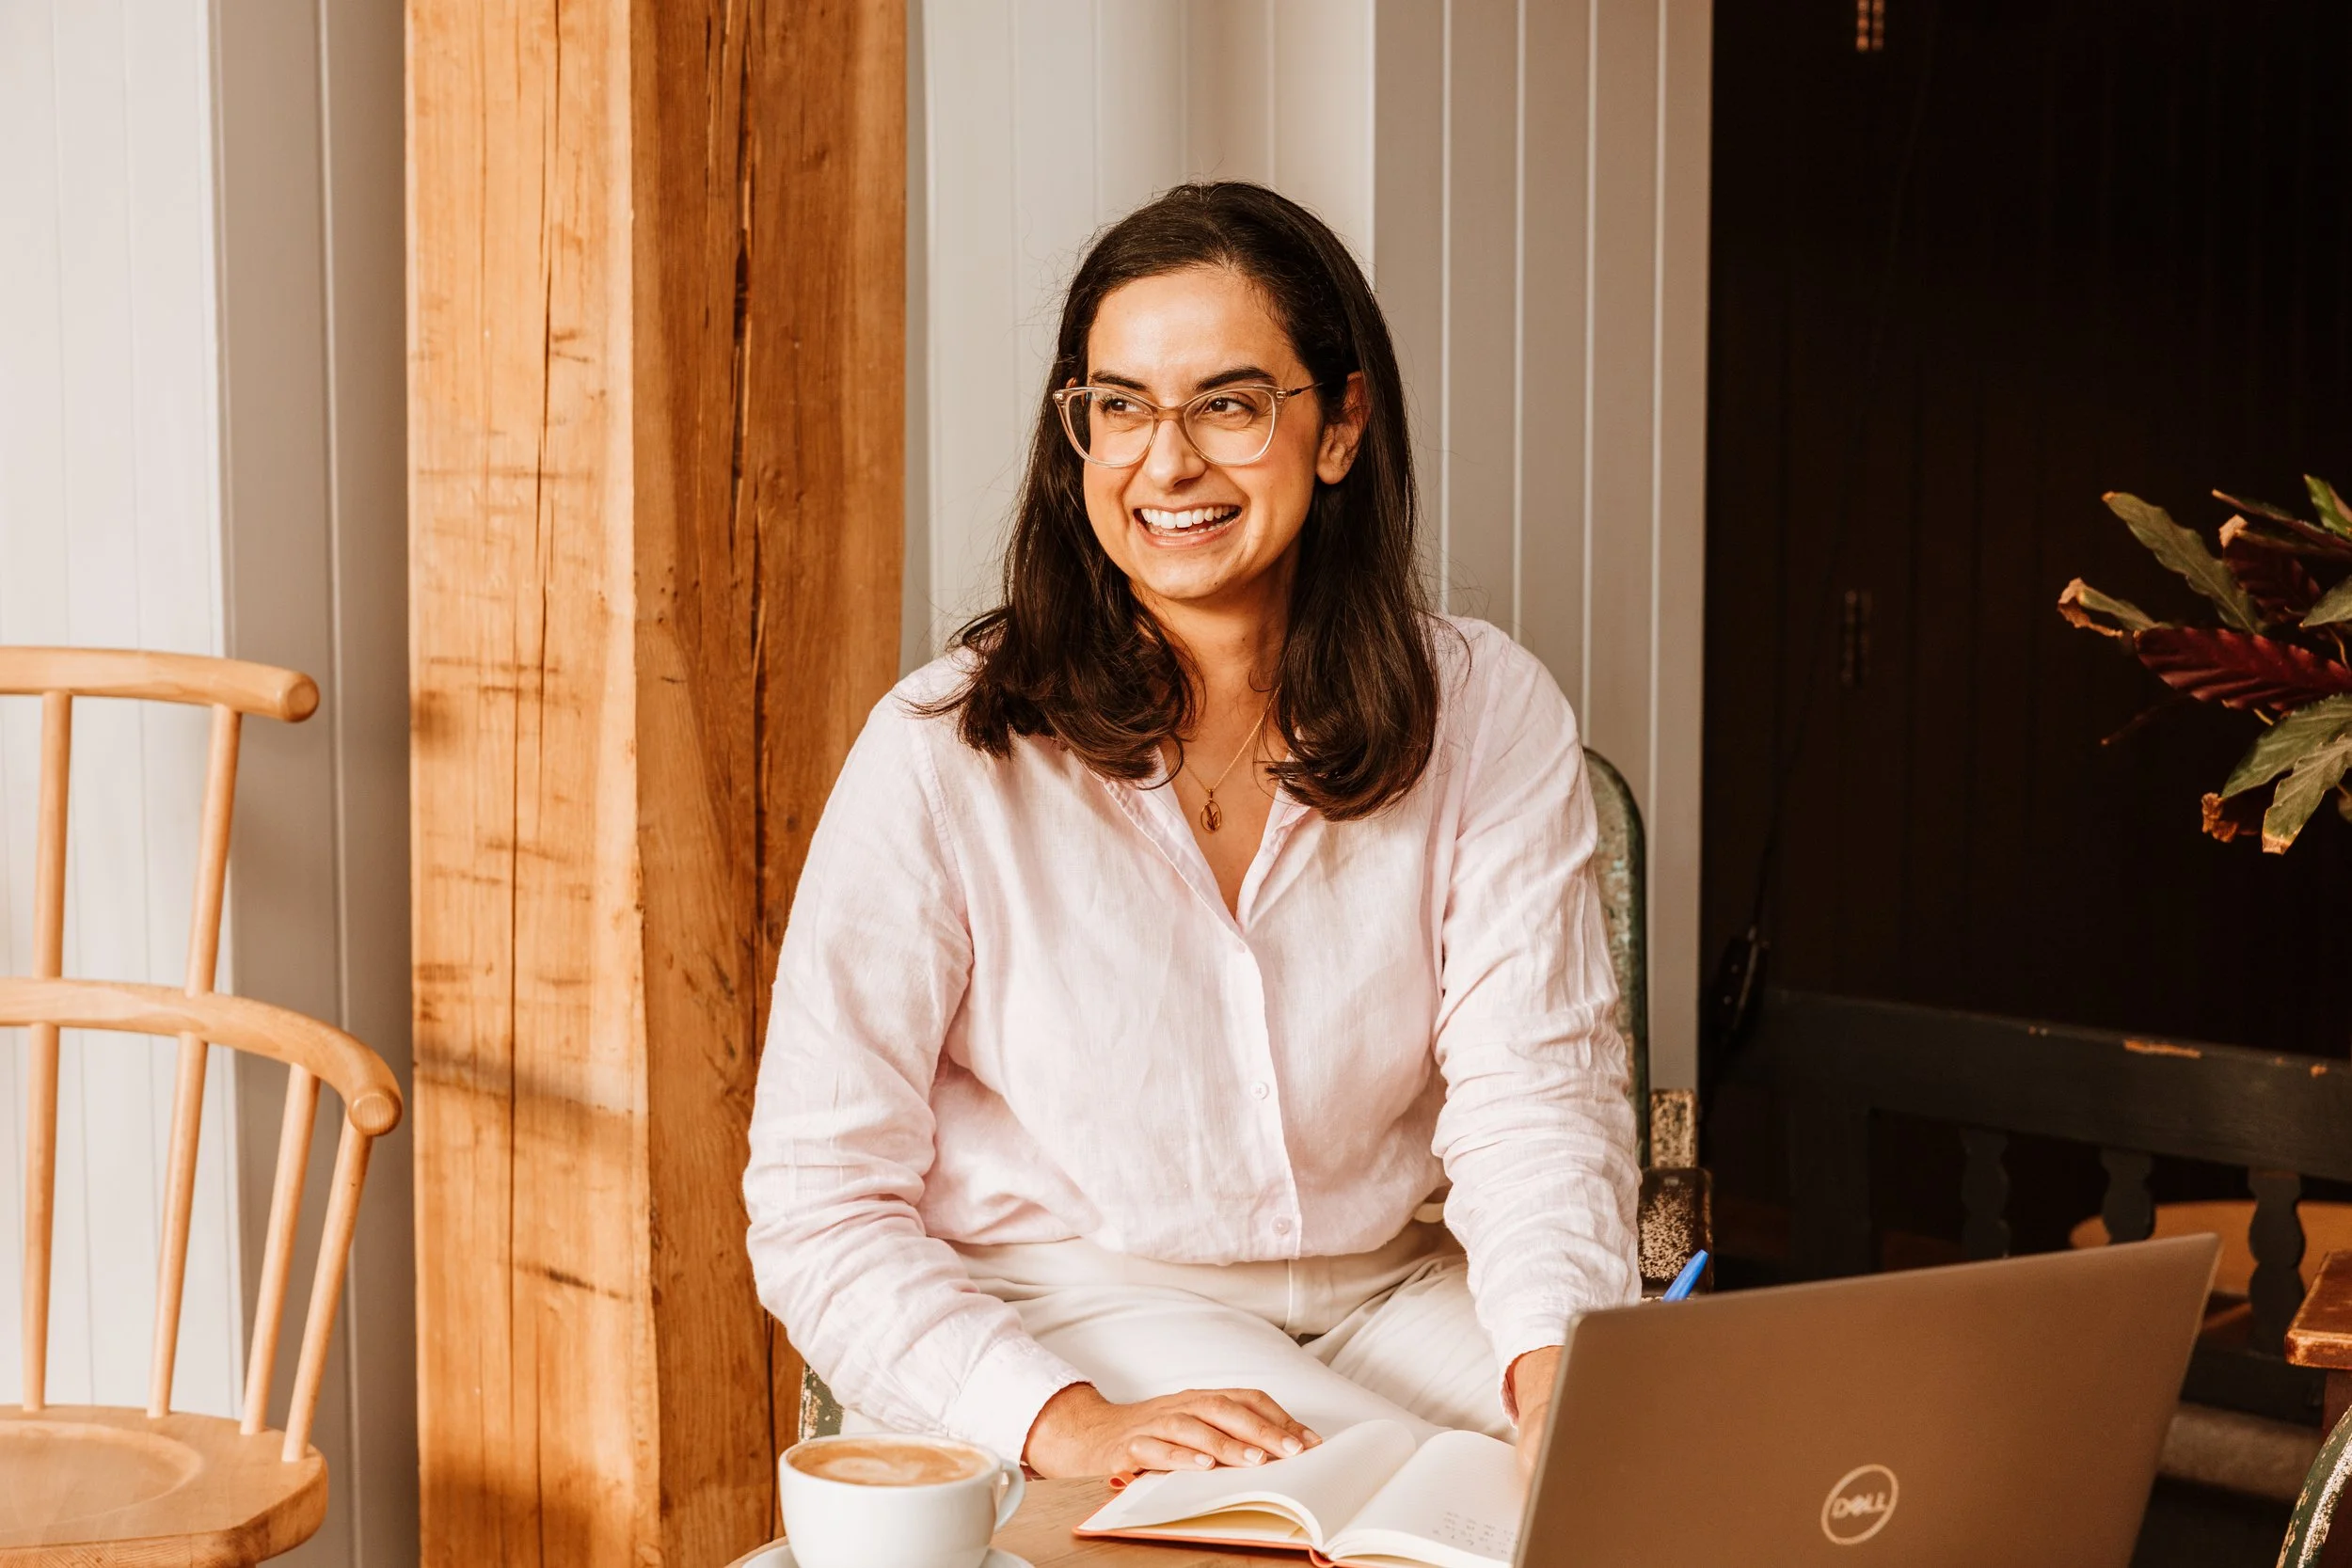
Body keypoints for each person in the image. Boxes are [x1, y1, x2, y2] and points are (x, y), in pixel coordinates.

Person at [743, 181, 1638, 1484]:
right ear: (1080, 436)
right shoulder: (942, 751)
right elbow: (819, 1204)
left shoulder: (1487, 710)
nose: (1166, 462)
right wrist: (1069, 1420)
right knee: (1366, 1489)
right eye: (1119, 408)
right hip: (1073, 1311)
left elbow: (1535, 1106)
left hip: (1397, 1297)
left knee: (1684, 1472)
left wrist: (1561, 1377)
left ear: (1340, 425)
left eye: (1228, 403)